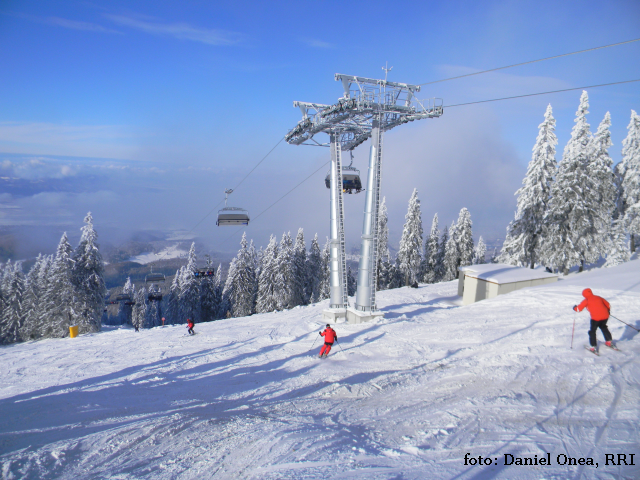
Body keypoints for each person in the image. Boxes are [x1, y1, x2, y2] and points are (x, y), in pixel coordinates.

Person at [573, 288, 613, 352]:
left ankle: (593, 347)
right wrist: (607, 311)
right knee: (603, 327)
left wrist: (574, 308)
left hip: (595, 318)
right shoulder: (598, 297)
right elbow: (608, 305)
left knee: (592, 331)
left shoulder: (586, 300)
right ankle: (608, 341)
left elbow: (578, 309)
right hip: (605, 316)